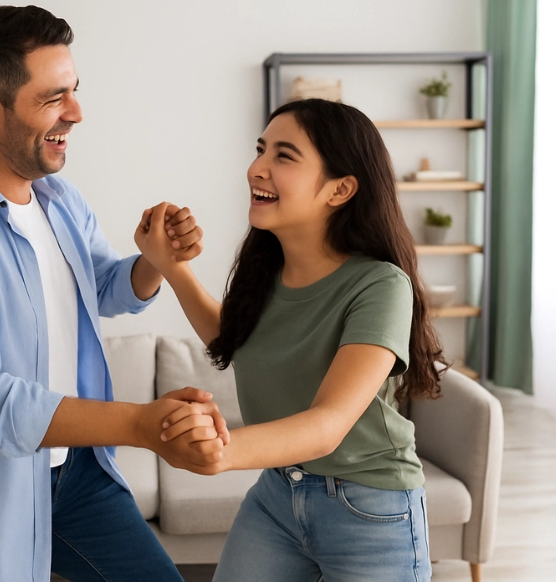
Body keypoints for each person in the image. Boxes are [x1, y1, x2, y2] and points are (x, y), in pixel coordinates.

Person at [0, 4, 226, 582]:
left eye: (75, 90)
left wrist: (153, 263)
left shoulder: (58, 198)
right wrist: (142, 425)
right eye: (52, 98)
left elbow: (103, 287)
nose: (77, 112)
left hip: (77, 476)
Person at [136, 98, 447, 581]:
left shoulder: (381, 285)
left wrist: (221, 450)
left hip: (370, 506)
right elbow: (234, 338)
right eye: (261, 150)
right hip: (279, 496)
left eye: (283, 156)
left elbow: (327, 425)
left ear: (340, 189)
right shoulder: (270, 271)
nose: (256, 168)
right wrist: (170, 267)